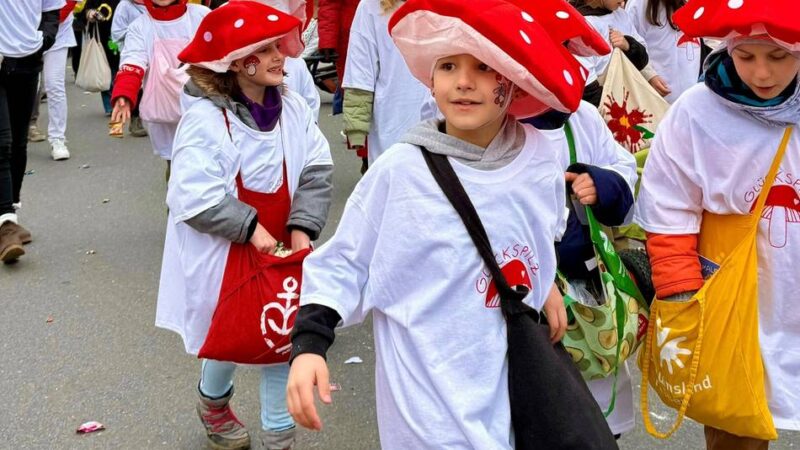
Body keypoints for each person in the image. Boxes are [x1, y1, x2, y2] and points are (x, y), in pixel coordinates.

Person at [286, 0, 612, 447]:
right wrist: (309, 346)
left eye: (483, 66)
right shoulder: (401, 172)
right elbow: (346, 261)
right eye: (447, 66)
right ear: (430, 80)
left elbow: (542, 231)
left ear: (513, 81)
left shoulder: (539, 159)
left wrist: (546, 282)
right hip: (427, 406)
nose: (463, 82)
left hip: (509, 387)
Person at [155, 2, 333, 449]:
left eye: (280, 46)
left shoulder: (291, 109)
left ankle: (278, 436)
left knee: (281, 335)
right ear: (235, 62)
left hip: (284, 244)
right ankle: (213, 402)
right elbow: (193, 194)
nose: (280, 57)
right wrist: (252, 230)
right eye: (266, 49)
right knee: (230, 334)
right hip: (227, 247)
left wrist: (302, 230)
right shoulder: (205, 120)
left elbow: (315, 167)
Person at [635, 1, 800, 448]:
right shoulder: (697, 112)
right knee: (734, 427)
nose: (761, 73)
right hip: (734, 300)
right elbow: (668, 205)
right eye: (745, 56)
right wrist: (683, 295)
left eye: (779, 56)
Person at [0, 0, 63, 263]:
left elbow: (52, 12)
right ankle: (6, 224)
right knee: (2, 142)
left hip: (26, 61)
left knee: (17, 144)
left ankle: (10, 213)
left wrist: (43, 40)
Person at [109, 0, 208, 167]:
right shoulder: (140, 27)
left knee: (206, 160)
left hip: (203, 108)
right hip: (164, 114)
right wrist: (124, 93)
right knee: (176, 165)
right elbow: (133, 61)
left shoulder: (202, 16)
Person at [341, 0, 429, 174]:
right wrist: (356, 127)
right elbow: (360, 70)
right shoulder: (371, 7)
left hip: (446, 125)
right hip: (393, 124)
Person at [572, 0, 655, 106]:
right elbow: (586, 82)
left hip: (627, 100)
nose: (623, 3)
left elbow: (643, 59)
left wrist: (628, 45)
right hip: (606, 106)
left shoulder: (621, 14)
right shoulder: (581, 25)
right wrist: (613, 109)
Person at [626, 0, 707, 103]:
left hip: (693, 99)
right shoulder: (639, 4)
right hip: (656, 101)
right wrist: (648, 75)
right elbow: (629, 47)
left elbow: (713, 38)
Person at [28, 0, 79, 161]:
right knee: (26, 86)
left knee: (54, 85)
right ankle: (17, 135)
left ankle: (57, 139)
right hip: (25, 32)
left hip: (58, 32)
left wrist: (51, 20)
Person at [110, 0, 148, 136]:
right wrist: (136, 31)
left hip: (148, 55)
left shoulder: (153, 5)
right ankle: (116, 127)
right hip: (128, 54)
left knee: (143, 89)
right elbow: (116, 33)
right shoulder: (124, 6)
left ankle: (136, 121)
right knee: (122, 93)